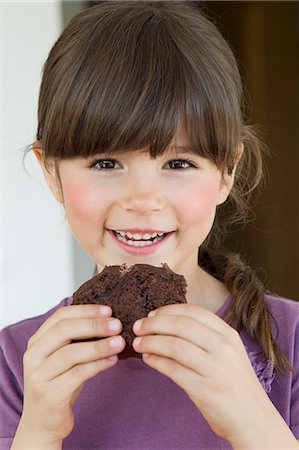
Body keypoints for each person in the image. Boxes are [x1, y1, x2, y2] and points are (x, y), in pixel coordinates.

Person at [1, 1, 298, 449]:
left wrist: (254, 424)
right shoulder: (16, 361)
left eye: (178, 162)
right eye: (105, 162)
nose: (142, 200)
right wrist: (40, 430)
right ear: (51, 172)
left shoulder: (290, 342)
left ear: (227, 171)